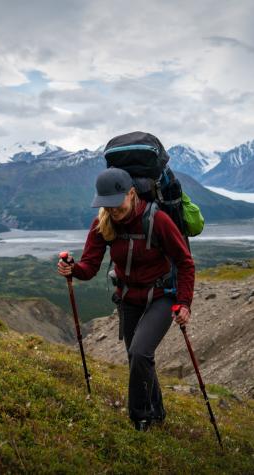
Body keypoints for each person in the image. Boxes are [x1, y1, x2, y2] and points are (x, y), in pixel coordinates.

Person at [58, 167, 195, 431]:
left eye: (116, 204)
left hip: (161, 296)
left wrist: (184, 302)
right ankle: (157, 412)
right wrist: (72, 268)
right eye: (106, 205)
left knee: (140, 352)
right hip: (128, 297)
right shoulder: (103, 223)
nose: (112, 211)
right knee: (138, 359)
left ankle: (139, 417)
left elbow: (185, 262)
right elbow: (89, 267)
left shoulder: (158, 221)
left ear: (132, 194)